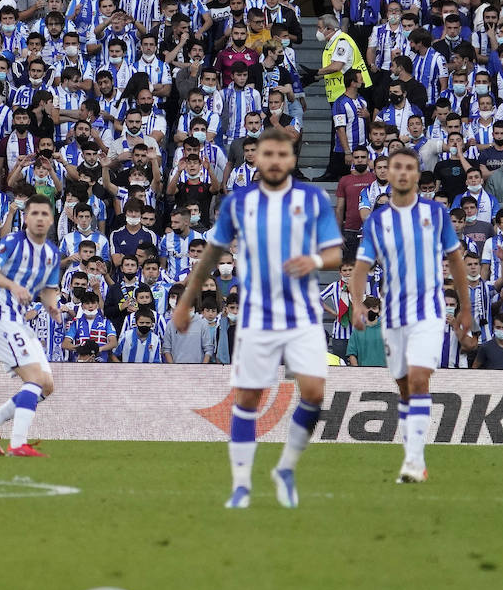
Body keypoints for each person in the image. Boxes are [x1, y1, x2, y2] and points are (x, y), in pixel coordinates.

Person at [173, 128, 343, 509]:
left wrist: (312, 260)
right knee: (248, 398)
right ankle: (241, 486)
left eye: (282, 154)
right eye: (268, 154)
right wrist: (186, 300)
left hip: (301, 313)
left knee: (314, 393)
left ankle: (285, 468)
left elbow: (334, 254)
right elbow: (213, 252)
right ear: (258, 158)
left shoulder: (312, 199)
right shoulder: (239, 202)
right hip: (257, 315)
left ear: (292, 159)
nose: (275, 161)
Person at [348, 149, 471, 483]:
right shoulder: (378, 220)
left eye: (409, 168)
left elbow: (456, 261)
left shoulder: (436, 213)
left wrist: (466, 306)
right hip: (392, 314)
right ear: (388, 173)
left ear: (418, 175)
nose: (402, 173)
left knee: (419, 379)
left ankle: (415, 462)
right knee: (403, 386)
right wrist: (357, 303)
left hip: (429, 310)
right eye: (396, 167)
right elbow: (360, 267)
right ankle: (412, 452)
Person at [0, 196, 63, 458]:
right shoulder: (12, 242)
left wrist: (52, 305)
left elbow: (47, 289)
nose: (40, 218)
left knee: (46, 385)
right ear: (26, 217)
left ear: (51, 219)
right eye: (35, 213)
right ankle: (17, 444)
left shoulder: (52, 254)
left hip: (18, 321)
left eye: (45, 213)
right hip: (0, 318)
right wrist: (11, 285)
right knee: (34, 379)